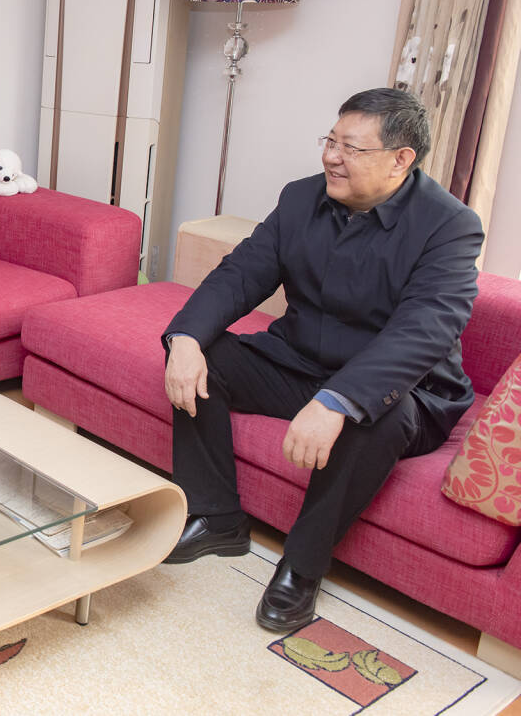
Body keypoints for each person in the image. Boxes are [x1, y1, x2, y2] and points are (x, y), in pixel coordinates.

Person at [161, 87, 482, 632]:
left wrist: (338, 399)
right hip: (300, 362)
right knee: (201, 356)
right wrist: (186, 338)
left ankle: (302, 567)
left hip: (403, 389)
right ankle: (216, 517)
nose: (332, 156)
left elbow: (423, 331)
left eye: (351, 148)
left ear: (401, 159)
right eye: (330, 141)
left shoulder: (449, 226)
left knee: (377, 415)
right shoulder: (300, 198)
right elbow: (242, 274)